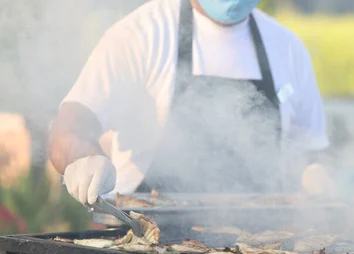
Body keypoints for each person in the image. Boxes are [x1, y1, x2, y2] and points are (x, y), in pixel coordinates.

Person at [48, 0, 334, 205]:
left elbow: (310, 149)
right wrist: (83, 159)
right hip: (148, 247)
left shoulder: (287, 46)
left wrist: (314, 175)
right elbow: (70, 127)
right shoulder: (141, 34)